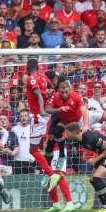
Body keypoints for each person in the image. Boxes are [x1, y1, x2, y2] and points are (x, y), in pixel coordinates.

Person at [65, 122, 106, 212]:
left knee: (97, 178)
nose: (66, 135)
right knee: (93, 179)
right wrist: (85, 152)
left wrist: (95, 159)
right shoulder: (78, 137)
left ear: (73, 133)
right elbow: (84, 142)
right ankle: (105, 206)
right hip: (103, 155)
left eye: (67, 133)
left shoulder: (91, 137)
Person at [25, 59, 61, 192]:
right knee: (41, 146)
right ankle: (47, 170)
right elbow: (52, 87)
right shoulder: (43, 75)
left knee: (33, 150)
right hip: (45, 116)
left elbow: (38, 94)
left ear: (27, 68)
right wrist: (49, 94)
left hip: (37, 115)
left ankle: (51, 174)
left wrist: (41, 108)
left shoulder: (31, 78)